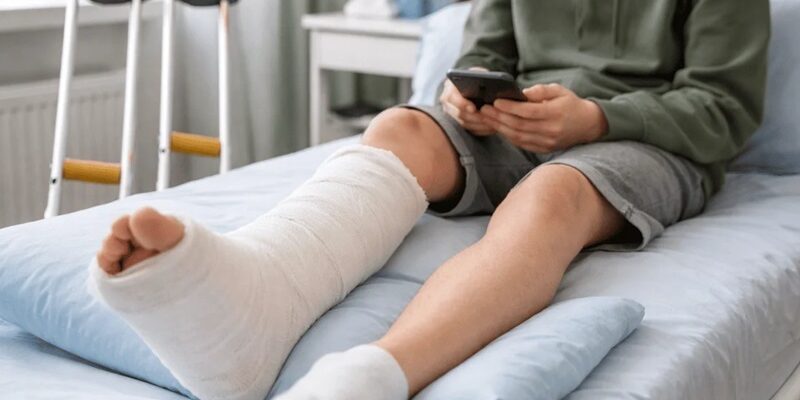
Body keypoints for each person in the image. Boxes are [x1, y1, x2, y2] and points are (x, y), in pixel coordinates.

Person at [88, 0, 770, 399]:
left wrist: (595, 119)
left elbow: (724, 108)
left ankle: (373, 376)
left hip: (645, 140)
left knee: (552, 194)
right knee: (400, 126)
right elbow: (484, 56)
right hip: (518, 124)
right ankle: (254, 303)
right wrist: (466, 98)